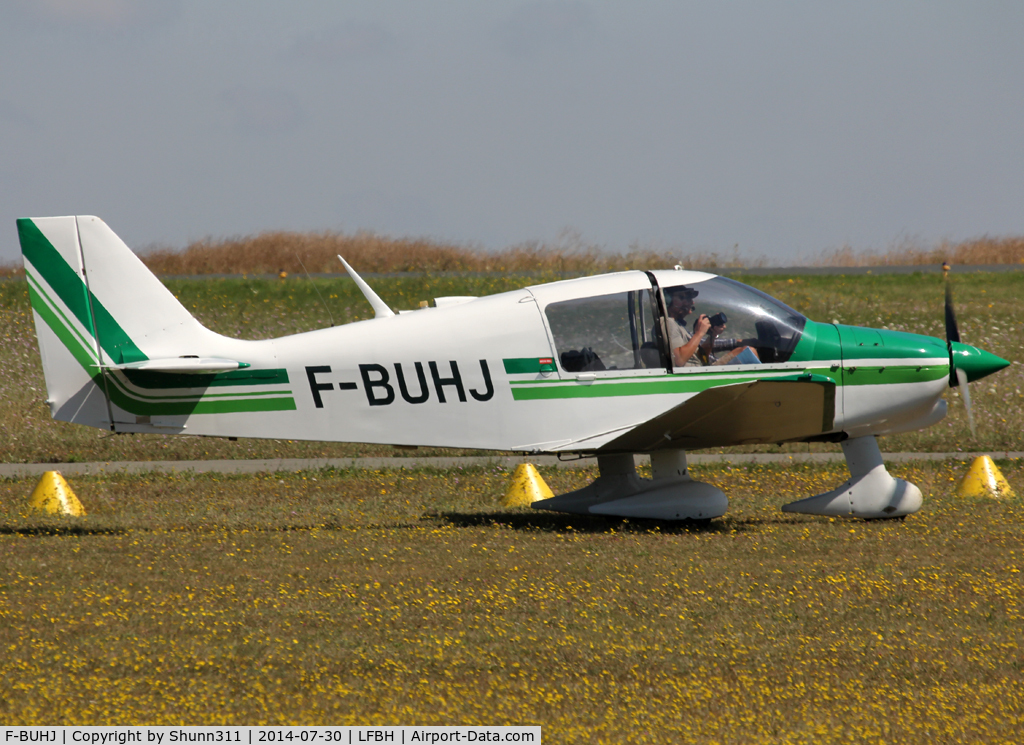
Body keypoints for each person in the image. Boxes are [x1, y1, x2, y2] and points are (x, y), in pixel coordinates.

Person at [665, 287, 712, 367]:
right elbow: (679, 360)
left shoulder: (679, 325)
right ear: (668, 300)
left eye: (689, 298)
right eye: (682, 297)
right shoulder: (669, 323)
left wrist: (712, 336)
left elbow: (702, 358)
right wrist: (699, 333)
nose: (691, 302)